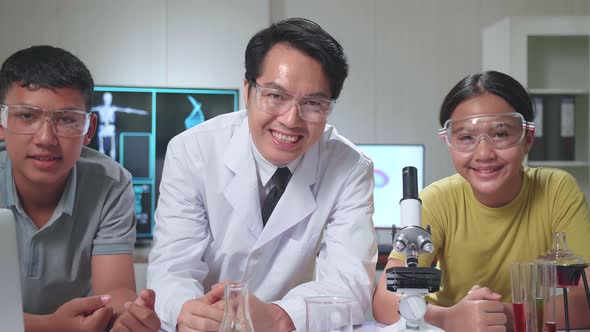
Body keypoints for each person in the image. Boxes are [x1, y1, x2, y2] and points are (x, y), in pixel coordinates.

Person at [147, 17, 377, 332]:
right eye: (275, 96)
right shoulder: (192, 151)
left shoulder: (350, 168)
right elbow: (172, 269)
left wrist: (280, 317)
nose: (291, 120)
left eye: (313, 104)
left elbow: (349, 283)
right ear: (248, 90)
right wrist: (188, 310)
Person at [372, 70, 590, 331]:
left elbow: (585, 299)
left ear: (527, 138)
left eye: (500, 134)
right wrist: (450, 319)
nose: (484, 153)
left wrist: (505, 316)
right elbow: (385, 301)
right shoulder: (436, 200)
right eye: (466, 138)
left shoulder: (556, 190)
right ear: (450, 144)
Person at [0, 45, 160, 332]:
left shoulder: (111, 184)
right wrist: (50, 326)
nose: (46, 138)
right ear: (1, 123)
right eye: (27, 116)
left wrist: (126, 317)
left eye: (66, 119)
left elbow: (115, 293)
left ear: (89, 128)